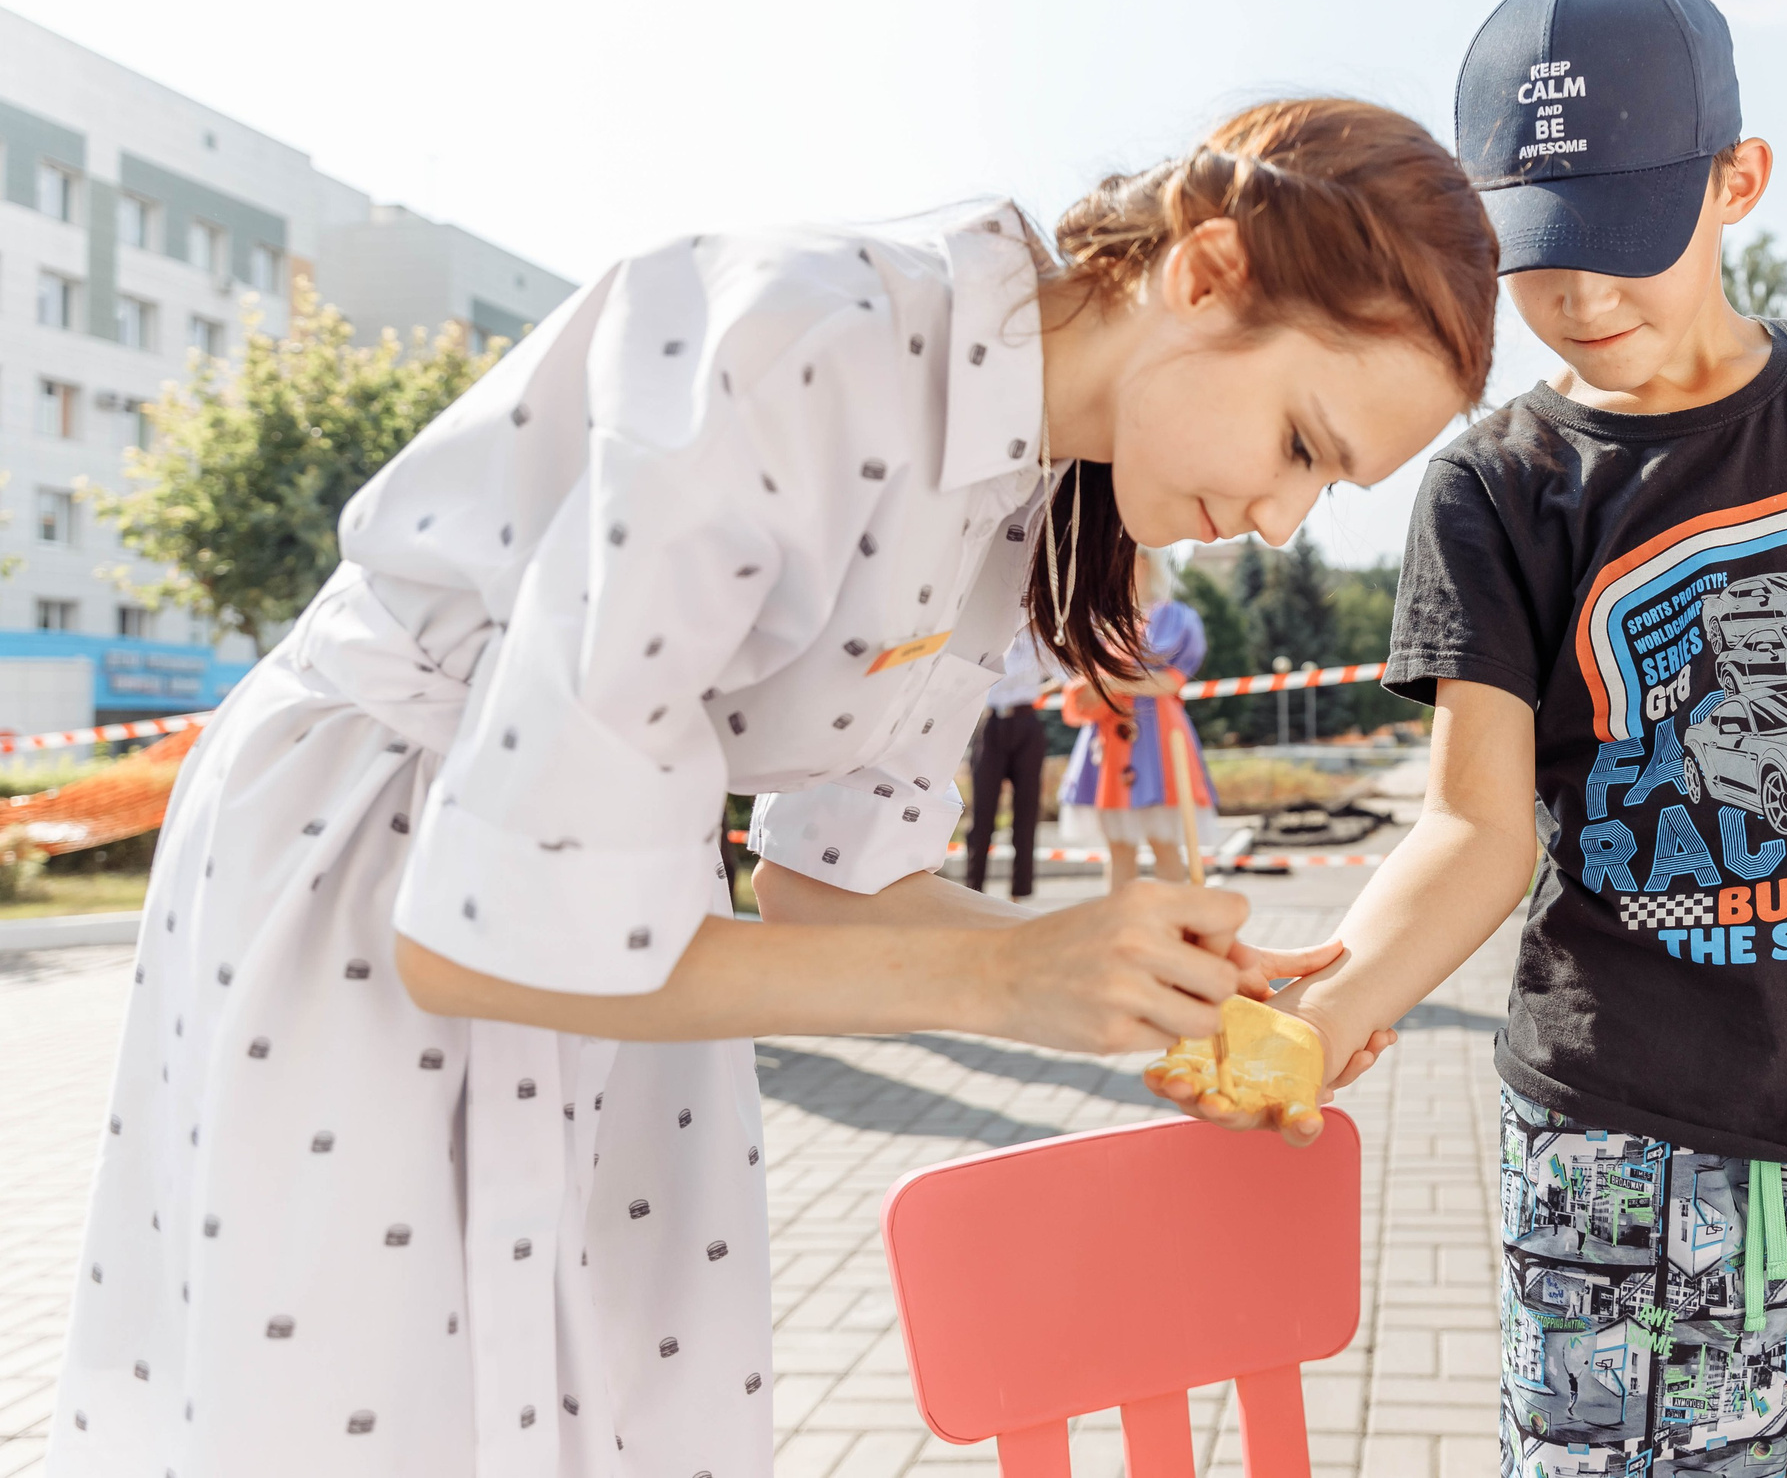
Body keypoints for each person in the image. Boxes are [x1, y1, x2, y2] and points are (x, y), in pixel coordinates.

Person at [50, 97, 1494, 1477]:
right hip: (377, 875)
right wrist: (1001, 986)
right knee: (360, 1401)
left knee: (618, 1382)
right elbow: (473, 935)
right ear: (1208, 271)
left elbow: (829, 880)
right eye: (1303, 441)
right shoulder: (806, 336)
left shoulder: (1026, 476)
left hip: (616, 925)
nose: (1279, 517)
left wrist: (1134, 984)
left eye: (1335, 488)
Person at [1152, 0, 1787, 1477]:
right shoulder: (1498, 484)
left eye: (1629, 233)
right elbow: (1475, 822)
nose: (1583, 294)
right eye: (1541, 250)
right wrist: (1331, 1003)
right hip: (1628, 1175)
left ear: (1739, 179)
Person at [1058, 550, 1223, 890]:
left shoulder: (1174, 618)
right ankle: (1122, 933)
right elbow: (1085, 688)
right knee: (1118, 848)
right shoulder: (1104, 622)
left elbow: (1168, 681)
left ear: (1146, 561)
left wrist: (1107, 682)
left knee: (1164, 844)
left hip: (1158, 742)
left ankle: (1179, 928)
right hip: (1108, 743)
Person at [965, 625, 1058, 901]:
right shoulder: (992, 630)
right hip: (992, 725)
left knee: (1027, 813)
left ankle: (1020, 895)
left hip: (1027, 724)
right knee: (982, 815)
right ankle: (973, 893)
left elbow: (1067, 672)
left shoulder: (1041, 637)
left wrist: (1037, 693)